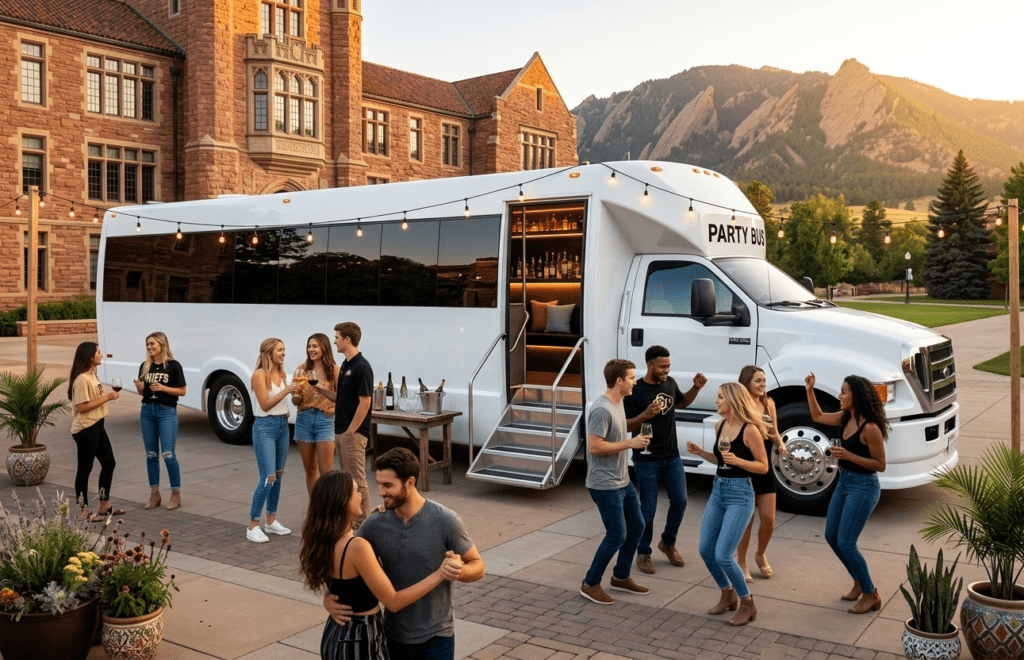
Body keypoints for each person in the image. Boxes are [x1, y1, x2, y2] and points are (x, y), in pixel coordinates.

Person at [323, 448, 485, 660]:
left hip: (436, 639)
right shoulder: (374, 524)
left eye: (388, 485)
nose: (380, 492)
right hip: (390, 636)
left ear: (410, 482)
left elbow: (478, 565)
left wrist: (459, 570)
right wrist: (328, 599)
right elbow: (343, 564)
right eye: (379, 483)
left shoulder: (445, 520)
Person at [300, 470, 462, 660]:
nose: (361, 494)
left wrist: (327, 599)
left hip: (335, 633)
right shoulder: (356, 547)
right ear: (343, 500)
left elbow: (343, 585)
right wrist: (440, 574)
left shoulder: (325, 539)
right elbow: (393, 601)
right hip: (359, 639)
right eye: (355, 490)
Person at [805, 372, 888, 615]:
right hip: (844, 483)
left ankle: (871, 593)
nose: (839, 396)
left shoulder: (869, 427)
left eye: (844, 392)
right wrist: (810, 390)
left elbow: (880, 464)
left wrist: (848, 456)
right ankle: (859, 581)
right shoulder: (844, 418)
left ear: (857, 395)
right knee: (832, 536)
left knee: (847, 542)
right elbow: (817, 416)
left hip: (864, 487)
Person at [686, 382, 768, 627]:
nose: (716, 401)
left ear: (732, 400)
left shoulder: (750, 430)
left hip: (740, 494)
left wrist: (740, 461)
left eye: (720, 397)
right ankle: (727, 593)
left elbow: (763, 466)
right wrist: (701, 452)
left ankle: (747, 602)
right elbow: (721, 460)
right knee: (705, 549)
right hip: (718, 490)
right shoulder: (720, 425)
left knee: (723, 554)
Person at [624, 345, 706, 575]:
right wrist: (645, 415)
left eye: (668, 366)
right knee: (647, 511)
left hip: (671, 456)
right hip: (646, 458)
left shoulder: (669, 384)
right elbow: (627, 424)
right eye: (662, 366)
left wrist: (696, 388)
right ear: (649, 365)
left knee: (680, 501)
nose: (666, 370)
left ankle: (667, 543)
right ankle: (643, 552)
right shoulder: (636, 390)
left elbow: (681, 403)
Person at [579, 359, 652, 606]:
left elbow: (620, 430)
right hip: (604, 484)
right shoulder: (601, 409)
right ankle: (590, 583)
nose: (635, 381)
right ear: (619, 380)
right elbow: (595, 446)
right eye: (631, 377)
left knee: (637, 526)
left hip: (622, 480)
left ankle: (621, 576)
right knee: (616, 534)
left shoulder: (619, 402)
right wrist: (631, 444)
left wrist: (642, 422)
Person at [316, 322, 373, 527]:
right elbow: (342, 397)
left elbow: (365, 401)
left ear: (347, 340)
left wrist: (351, 430)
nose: (334, 341)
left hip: (352, 433)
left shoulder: (361, 366)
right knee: (348, 480)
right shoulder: (346, 366)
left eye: (337, 337)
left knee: (357, 478)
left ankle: (363, 524)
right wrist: (322, 390)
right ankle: (352, 519)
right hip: (340, 430)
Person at [735, 365, 786, 582]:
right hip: (745, 464)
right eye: (758, 381)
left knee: (769, 519)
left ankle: (760, 553)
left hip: (763, 465)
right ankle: (742, 561)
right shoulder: (739, 403)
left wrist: (781, 444)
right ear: (747, 382)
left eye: (764, 381)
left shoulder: (768, 402)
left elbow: (773, 430)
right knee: (747, 519)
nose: (763, 384)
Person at [247, 338, 299, 543]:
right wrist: (287, 390)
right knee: (267, 477)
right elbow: (265, 404)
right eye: (280, 350)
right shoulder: (259, 375)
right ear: (268, 352)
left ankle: (271, 520)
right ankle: (252, 525)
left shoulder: (281, 373)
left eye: (284, 349)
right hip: (264, 427)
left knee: (278, 475)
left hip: (282, 426)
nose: (283, 353)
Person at [68, 341, 125, 521]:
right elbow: (82, 407)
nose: (101, 354)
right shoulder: (82, 379)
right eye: (98, 352)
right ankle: (82, 510)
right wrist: (108, 397)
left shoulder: (92, 375)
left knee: (109, 463)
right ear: (89, 356)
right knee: (85, 469)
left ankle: (103, 505)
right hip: (86, 428)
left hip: (98, 425)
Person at [133, 331, 187, 511]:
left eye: (152, 344)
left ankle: (175, 493)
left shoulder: (173, 366)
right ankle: (154, 493)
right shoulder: (144, 366)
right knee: (150, 454)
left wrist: (163, 387)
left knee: (168, 454)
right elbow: (143, 393)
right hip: (147, 410)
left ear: (162, 345)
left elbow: (182, 391)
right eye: (147, 345)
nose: (149, 347)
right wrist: (140, 388)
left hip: (166, 412)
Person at [292, 333, 340, 495]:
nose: (311, 349)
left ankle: (327, 510)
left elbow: (344, 398)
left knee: (326, 472)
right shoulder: (301, 370)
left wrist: (334, 410)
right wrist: (296, 396)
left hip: (325, 420)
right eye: (309, 346)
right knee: (310, 469)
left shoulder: (334, 370)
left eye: (315, 346)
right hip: (304, 418)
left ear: (324, 348)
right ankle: (315, 509)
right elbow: (295, 401)